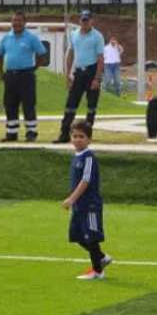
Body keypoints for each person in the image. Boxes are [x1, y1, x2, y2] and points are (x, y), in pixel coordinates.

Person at [61, 119, 112, 280]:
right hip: (79, 206)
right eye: (75, 136)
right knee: (77, 236)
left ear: (89, 139)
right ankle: (102, 257)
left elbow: (86, 180)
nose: (77, 139)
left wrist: (71, 199)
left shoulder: (88, 157)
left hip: (89, 205)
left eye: (81, 136)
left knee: (91, 236)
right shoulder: (77, 156)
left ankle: (98, 271)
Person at [0, 10, 48, 142]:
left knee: (28, 104)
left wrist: (34, 67)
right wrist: (0, 72)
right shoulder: (6, 38)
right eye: (14, 20)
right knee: (10, 104)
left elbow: (42, 54)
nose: (16, 23)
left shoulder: (31, 38)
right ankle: (11, 133)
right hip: (10, 75)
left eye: (19, 20)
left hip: (26, 75)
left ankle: (31, 132)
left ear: (25, 23)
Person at [55, 10, 106, 144]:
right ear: (80, 21)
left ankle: (87, 135)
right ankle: (64, 133)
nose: (85, 23)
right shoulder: (74, 34)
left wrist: (97, 78)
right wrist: (67, 75)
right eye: (83, 20)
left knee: (91, 106)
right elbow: (70, 53)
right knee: (71, 104)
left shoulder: (97, 36)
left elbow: (100, 58)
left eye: (87, 20)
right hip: (79, 72)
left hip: (92, 71)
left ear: (91, 21)